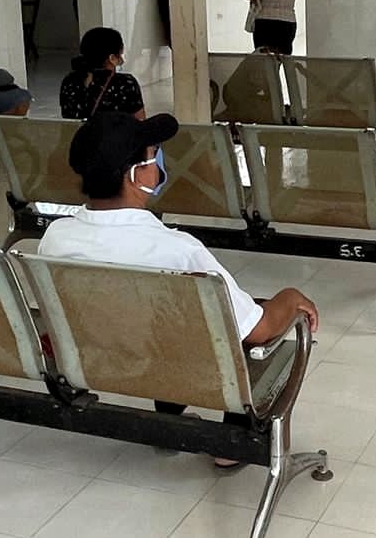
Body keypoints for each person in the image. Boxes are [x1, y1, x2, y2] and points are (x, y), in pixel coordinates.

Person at [39, 111, 320, 467]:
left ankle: (169, 421)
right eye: (154, 154)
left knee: (165, 318)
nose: (159, 163)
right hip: (174, 364)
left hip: (103, 360)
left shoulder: (55, 238)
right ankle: (234, 441)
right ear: (136, 173)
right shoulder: (177, 249)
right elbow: (258, 329)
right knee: (254, 322)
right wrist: (292, 297)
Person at [59, 27, 145, 120]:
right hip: (112, 134)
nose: (122, 60)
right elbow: (139, 122)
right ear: (112, 58)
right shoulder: (126, 83)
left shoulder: (69, 81)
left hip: (78, 134)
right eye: (120, 54)